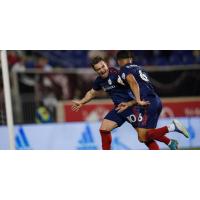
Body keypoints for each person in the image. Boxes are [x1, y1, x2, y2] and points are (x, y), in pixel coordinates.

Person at [72, 56, 179, 150]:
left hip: (132, 107)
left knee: (144, 137)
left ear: (106, 64)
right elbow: (91, 93)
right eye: (98, 69)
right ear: (95, 71)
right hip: (119, 108)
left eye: (103, 66)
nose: (102, 70)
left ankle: (169, 141)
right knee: (104, 129)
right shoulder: (99, 80)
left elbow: (134, 85)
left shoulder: (117, 75)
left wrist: (136, 101)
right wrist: (81, 102)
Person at [115, 50, 189, 147]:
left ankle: (172, 127)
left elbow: (133, 82)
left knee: (143, 137)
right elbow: (143, 89)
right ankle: (171, 143)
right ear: (131, 59)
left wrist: (137, 101)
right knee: (148, 135)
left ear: (119, 61)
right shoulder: (139, 68)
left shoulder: (124, 70)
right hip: (155, 100)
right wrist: (130, 103)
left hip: (147, 104)